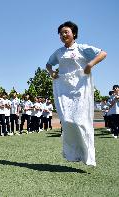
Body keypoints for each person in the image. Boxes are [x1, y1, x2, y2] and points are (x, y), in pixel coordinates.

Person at [46, 21, 107, 166]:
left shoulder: (82, 48)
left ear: (74, 34)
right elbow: (48, 64)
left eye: (66, 32)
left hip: (81, 88)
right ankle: (73, 154)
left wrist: (90, 64)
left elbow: (103, 53)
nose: (63, 35)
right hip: (64, 88)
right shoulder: (59, 52)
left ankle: (88, 156)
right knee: (67, 120)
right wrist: (52, 72)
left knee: (81, 121)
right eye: (61, 33)